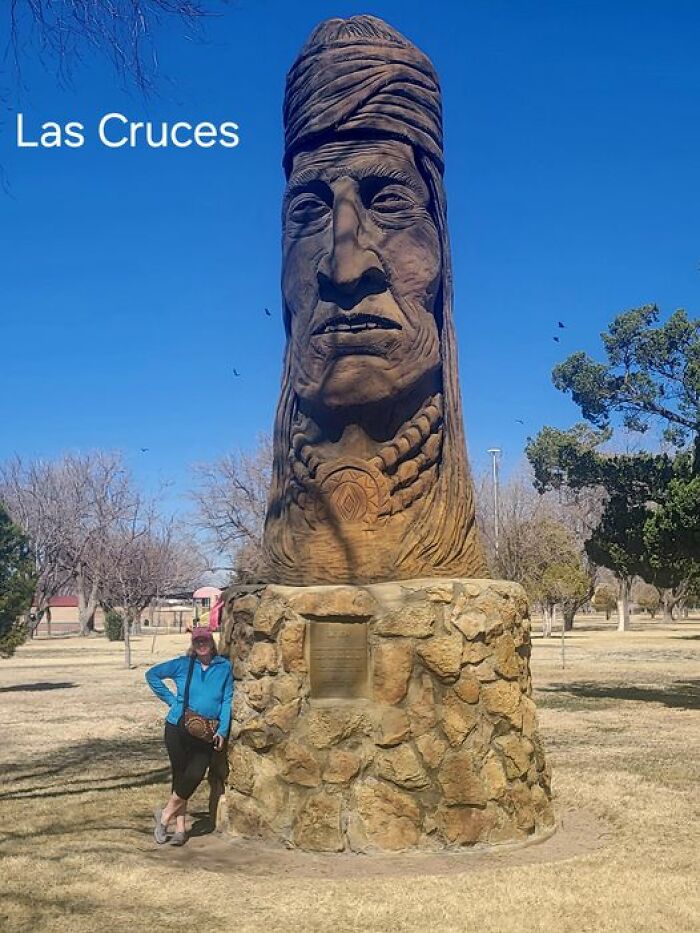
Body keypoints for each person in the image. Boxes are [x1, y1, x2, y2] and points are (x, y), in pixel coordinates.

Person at [145, 626, 234, 845]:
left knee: (195, 774)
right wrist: (171, 700)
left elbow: (226, 700)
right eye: (197, 642)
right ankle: (181, 829)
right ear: (192, 645)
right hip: (177, 727)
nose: (201, 645)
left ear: (211, 642)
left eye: (205, 641)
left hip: (206, 732)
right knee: (180, 775)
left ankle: (165, 815)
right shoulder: (183, 665)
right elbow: (152, 674)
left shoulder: (224, 667)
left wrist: (222, 730)